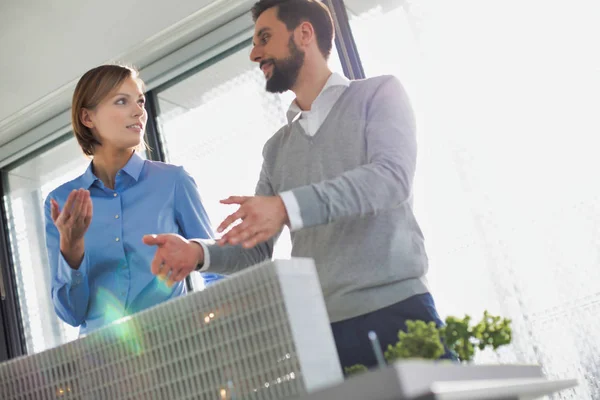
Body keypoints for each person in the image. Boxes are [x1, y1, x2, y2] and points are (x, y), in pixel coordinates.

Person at [143, 0, 453, 369]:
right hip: (325, 336)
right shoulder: (276, 150)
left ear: (304, 34)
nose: (254, 53)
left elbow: (390, 179)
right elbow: (255, 250)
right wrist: (198, 253)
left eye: (264, 37)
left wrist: (286, 207)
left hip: (399, 312)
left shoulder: (379, 95)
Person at [45, 64, 221, 336]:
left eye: (140, 101)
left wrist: (218, 330)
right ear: (87, 118)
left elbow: (214, 268)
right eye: (121, 101)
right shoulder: (60, 204)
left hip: (177, 350)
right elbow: (71, 314)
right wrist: (72, 248)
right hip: (102, 365)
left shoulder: (173, 182)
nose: (139, 110)